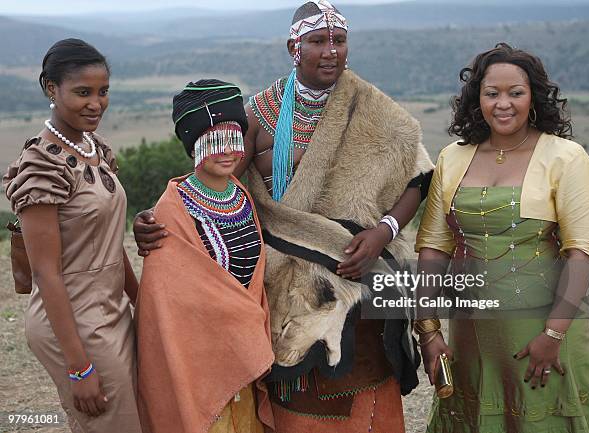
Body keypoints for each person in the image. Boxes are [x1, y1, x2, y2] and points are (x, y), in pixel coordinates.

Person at [134, 1, 433, 431]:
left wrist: (382, 234)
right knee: (295, 402)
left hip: (354, 281)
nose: (330, 51)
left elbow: (418, 177)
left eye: (339, 41)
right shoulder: (260, 111)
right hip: (278, 288)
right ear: (293, 46)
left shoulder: (373, 109)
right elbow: (214, 181)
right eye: (317, 41)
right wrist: (161, 214)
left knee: (366, 399)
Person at [414, 42, 589, 433]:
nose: (503, 104)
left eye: (515, 93)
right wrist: (428, 330)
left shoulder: (565, 158)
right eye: (492, 93)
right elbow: (434, 247)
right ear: (477, 99)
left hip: (542, 334)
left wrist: (553, 334)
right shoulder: (453, 158)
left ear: (534, 97)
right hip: (471, 334)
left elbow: (582, 253)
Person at [3, 39, 141, 433]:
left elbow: (111, 240)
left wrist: (140, 301)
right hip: (72, 320)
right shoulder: (42, 166)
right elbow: (46, 273)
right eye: (83, 93)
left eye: (103, 92)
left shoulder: (95, 149)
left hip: (111, 309)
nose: (96, 103)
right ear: (51, 89)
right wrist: (79, 367)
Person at [135, 80, 275, 433]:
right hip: (198, 358)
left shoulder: (241, 196)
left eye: (234, 139)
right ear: (193, 147)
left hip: (243, 350)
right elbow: (167, 305)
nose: (227, 151)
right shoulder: (172, 210)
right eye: (213, 142)